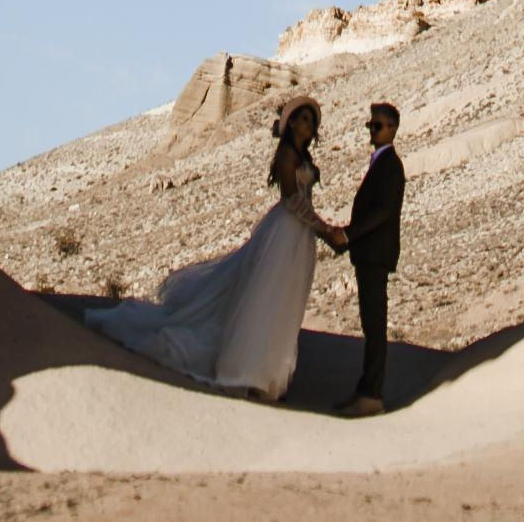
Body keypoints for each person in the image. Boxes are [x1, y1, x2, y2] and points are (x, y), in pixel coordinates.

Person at [83, 97, 342, 403]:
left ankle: (267, 375)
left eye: (311, 121)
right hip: (285, 233)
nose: (307, 126)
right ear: (290, 125)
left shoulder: (302, 155)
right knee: (265, 299)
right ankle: (244, 372)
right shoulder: (287, 155)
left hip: (299, 237)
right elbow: (291, 199)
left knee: (283, 302)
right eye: (302, 119)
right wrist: (325, 230)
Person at [336, 100, 405, 414]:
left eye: (376, 126)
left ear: (392, 129)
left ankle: (372, 395)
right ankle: (367, 389)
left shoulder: (391, 164)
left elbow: (383, 210)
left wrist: (350, 234)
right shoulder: (383, 162)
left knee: (375, 324)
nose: (372, 130)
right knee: (370, 322)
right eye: (371, 125)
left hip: (374, 254)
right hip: (369, 254)